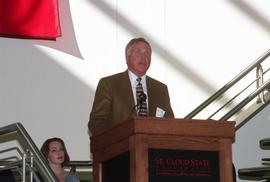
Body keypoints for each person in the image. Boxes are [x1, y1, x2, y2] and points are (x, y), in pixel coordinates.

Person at [88, 37, 174, 136]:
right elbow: (96, 123)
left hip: (154, 149)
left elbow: (170, 124)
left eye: (147, 53)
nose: (143, 56)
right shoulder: (109, 84)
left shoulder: (160, 89)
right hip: (120, 148)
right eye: (138, 52)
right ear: (126, 57)